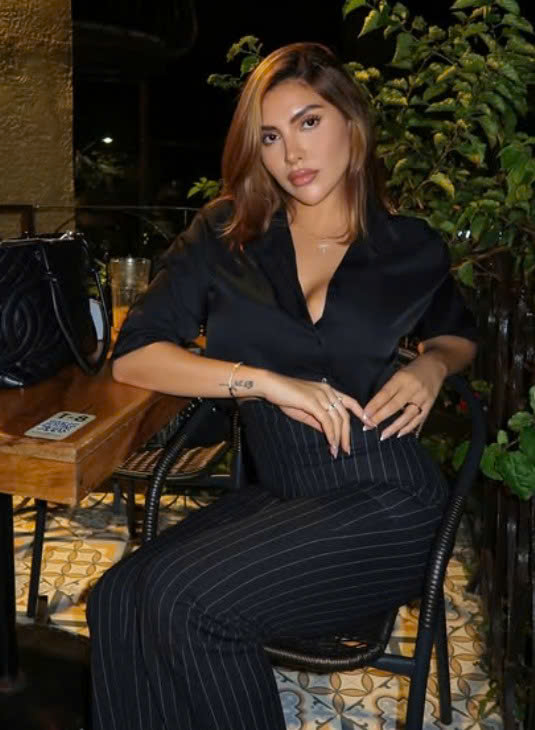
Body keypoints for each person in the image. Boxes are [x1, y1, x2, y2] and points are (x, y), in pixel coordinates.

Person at [87, 42, 478, 730]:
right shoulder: (226, 233)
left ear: (351, 124)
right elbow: (135, 357)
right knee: (117, 597)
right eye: (269, 136)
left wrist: (431, 365)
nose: (291, 152)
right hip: (285, 489)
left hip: (387, 495)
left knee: (187, 602)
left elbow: (457, 334)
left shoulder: (407, 244)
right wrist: (264, 382)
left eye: (308, 122)